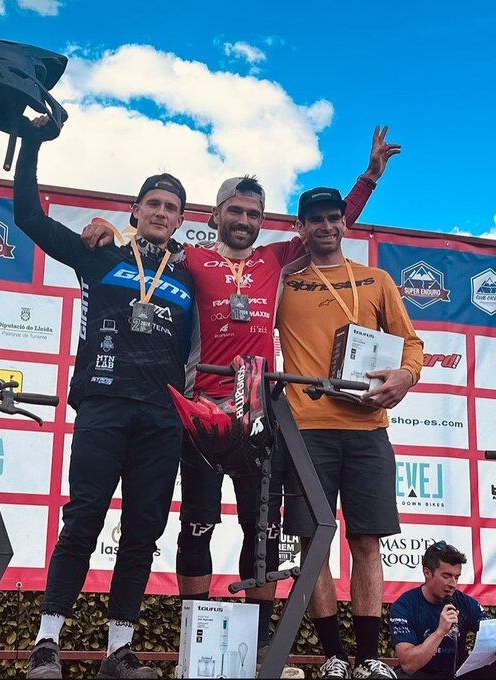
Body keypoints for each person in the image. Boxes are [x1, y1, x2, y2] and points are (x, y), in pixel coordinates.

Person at [81, 127, 400, 666]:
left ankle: (256, 646)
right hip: (202, 410)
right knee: (197, 525)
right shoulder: (187, 259)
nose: (245, 220)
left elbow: (330, 222)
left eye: (254, 213)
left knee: (263, 531)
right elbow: (145, 245)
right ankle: (195, 639)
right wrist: (110, 229)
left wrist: (368, 178)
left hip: (260, 413)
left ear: (262, 221)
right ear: (215, 215)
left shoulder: (276, 259)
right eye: (236, 211)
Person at [14, 115, 194, 679]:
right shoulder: (101, 255)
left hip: (162, 416)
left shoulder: (190, 278)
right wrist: (32, 145)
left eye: (171, 207)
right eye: (153, 204)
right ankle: (47, 644)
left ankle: (120, 651)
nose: (161, 212)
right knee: (83, 520)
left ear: (181, 221)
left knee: (143, 532)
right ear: (135, 211)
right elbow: (27, 217)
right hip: (105, 403)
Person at [276, 184, 424, 679]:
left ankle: (367, 657)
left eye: (333, 217)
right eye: (315, 219)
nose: (326, 226)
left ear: (344, 223)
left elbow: (410, 343)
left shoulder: (376, 279)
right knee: (313, 542)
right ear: (300, 227)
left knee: (367, 542)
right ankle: (333, 656)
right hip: (306, 428)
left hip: (367, 429)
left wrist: (406, 375)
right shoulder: (284, 282)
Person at [390, 542, 492, 679]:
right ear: (427, 573)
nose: (453, 584)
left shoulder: (466, 603)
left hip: (458, 674)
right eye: (446, 576)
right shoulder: (404, 606)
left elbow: (491, 636)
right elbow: (409, 665)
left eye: (456, 577)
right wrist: (440, 632)